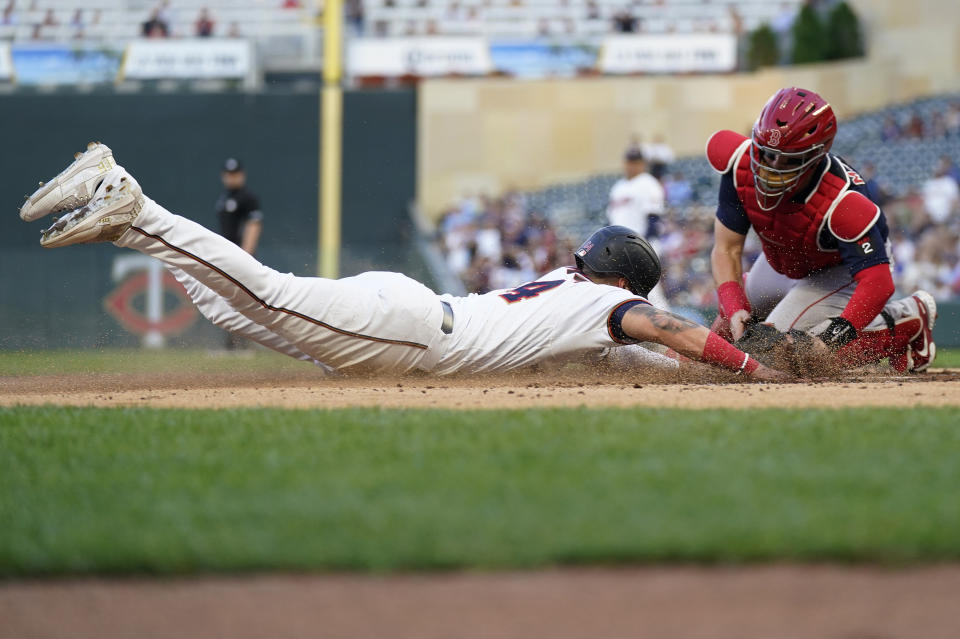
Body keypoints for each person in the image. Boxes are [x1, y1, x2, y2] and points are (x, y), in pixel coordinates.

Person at [19, 142, 790, 382]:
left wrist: (708, 360)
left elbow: (658, 361)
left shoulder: (573, 294)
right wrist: (754, 370)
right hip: (416, 332)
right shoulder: (607, 309)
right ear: (626, 281)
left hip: (410, 312)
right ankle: (133, 205)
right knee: (268, 293)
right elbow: (669, 333)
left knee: (237, 310)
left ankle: (127, 227)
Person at [707, 87, 938, 374]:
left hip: (839, 271)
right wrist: (735, 307)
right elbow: (726, 248)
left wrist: (830, 339)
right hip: (785, 258)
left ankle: (906, 321)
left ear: (816, 157)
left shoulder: (843, 202)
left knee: (780, 358)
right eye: (767, 154)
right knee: (726, 328)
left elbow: (878, 282)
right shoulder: (738, 163)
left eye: (789, 160)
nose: (772, 168)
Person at [606, 144, 670, 309]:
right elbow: (610, 220)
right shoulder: (618, 187)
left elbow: (654, 220)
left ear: (643, 164)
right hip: (619, 248)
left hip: (640, 245)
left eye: (636, 161)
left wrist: (642, 247)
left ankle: (666, 327)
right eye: (630, 161)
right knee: (623, 291)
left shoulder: (649, 184)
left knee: (650, 291)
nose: (632, 165)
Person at [215, 157, 263, 349]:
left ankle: (242, 344)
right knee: (229, 300)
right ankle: (232, 344)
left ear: (241, 175)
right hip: (226, 255)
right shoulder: (225, 198)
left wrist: (246, 254)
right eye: (228, 174)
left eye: (235, 174)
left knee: (242, 300)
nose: (232, 178)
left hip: (239, 255)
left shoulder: (247, 198)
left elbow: (253, 225)